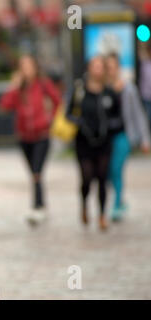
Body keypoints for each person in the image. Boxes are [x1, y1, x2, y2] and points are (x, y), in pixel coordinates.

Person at [0, 54, 60, 226]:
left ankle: (37, 206)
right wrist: (14, 86)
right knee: (34, 173)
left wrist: (50, 120)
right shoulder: (18, 88)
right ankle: (42, 205)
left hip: (42, 135)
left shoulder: (43, 84)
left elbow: (57, 101)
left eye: (29, 66)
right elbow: (4, 106)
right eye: (23, 66)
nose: (26, 70)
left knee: (37, 172)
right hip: (24, 136)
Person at [66, 56, 122, 231]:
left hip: (104, 142)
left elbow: (119, 117)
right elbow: (68, 114)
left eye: (100, 66)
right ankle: (84, 205)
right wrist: (79, 122)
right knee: (87, 177)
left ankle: (102, 215)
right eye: (94, 66)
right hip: (84, 141)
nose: (97, 70)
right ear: (89, 68)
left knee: (102, 177)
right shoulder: (80, 90)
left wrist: (110, 125)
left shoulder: (109, 92)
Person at [105, 53, 151, 221]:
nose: (110, 71)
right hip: (105, 137)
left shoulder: (128, 88)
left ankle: (117, 204)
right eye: (107, 67)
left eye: (113, 67)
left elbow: (138, 114)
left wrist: (145, 139)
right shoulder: (102, 89)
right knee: (108, 172)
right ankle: (119, 198)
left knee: (116, 168)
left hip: (123, 135)